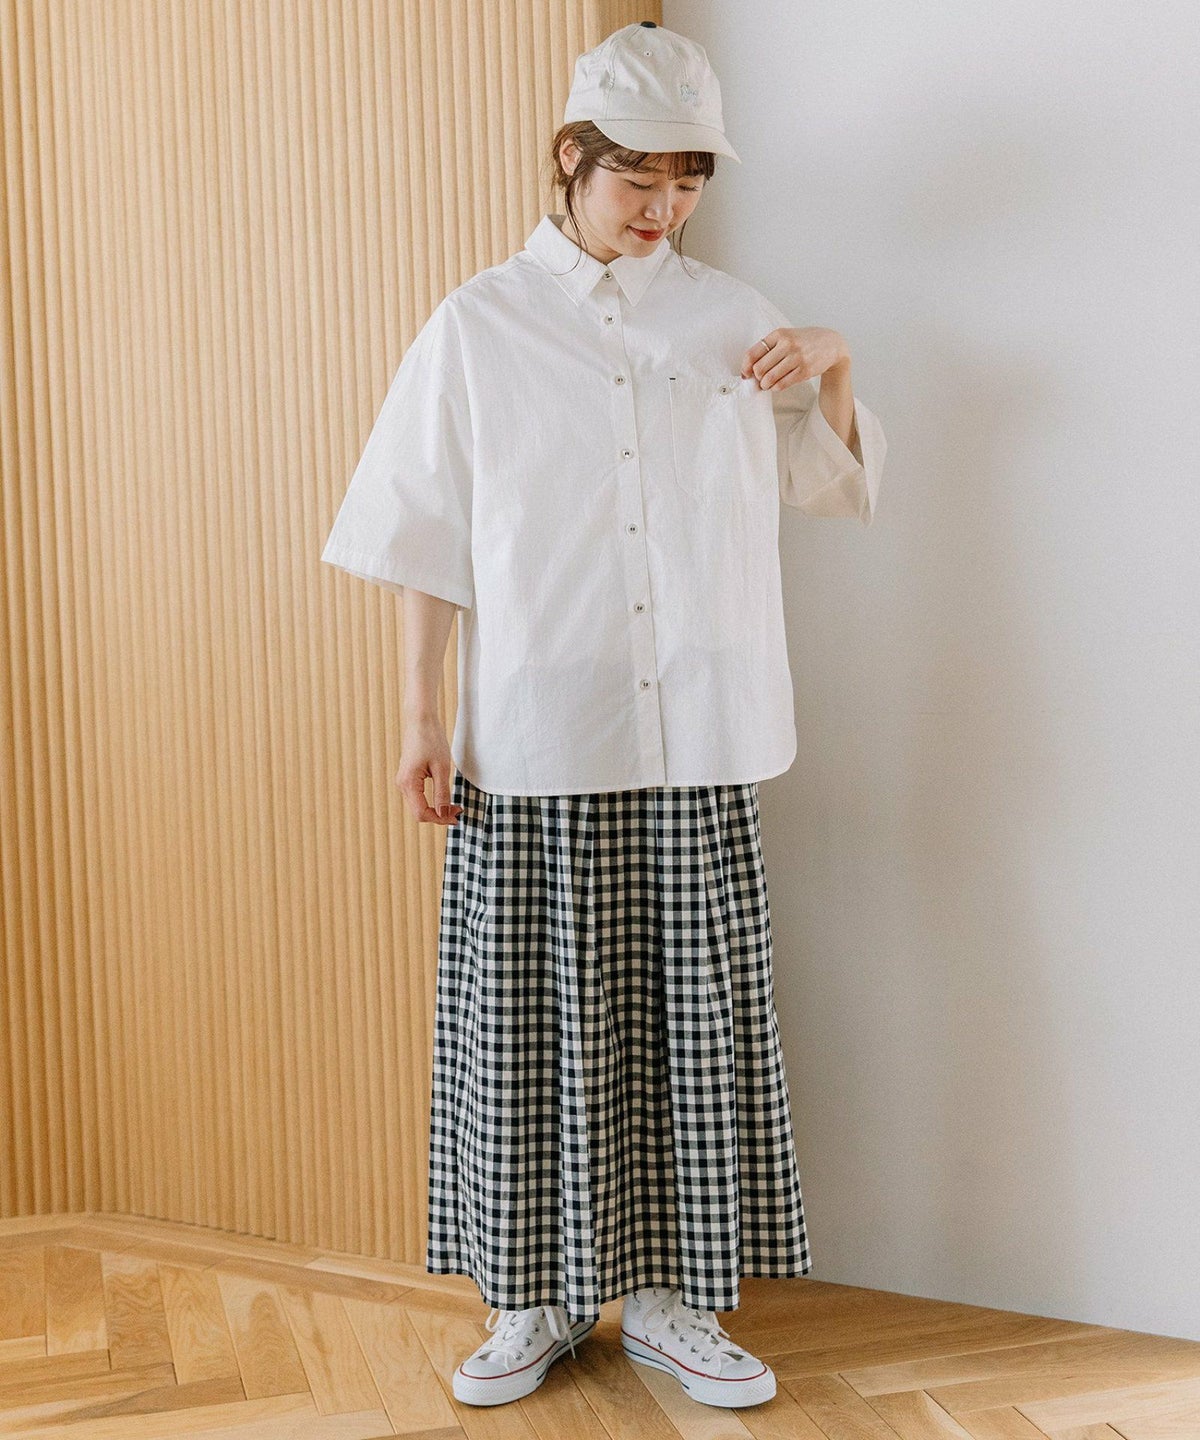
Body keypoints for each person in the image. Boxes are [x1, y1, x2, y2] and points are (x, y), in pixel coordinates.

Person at [321, 20, 887, 1413]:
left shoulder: (732, 315)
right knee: (530, 1027)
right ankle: (537, 1296)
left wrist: (834, 362)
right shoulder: (477, 325)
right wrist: (420, 717)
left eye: (688, 181)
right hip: (538, 732)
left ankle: (680, 1305)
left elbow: (830, 487)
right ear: (571, 157)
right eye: (640, 178)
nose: (664, 207)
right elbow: (424, 536)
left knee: (691, 1029)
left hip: (700, 732)